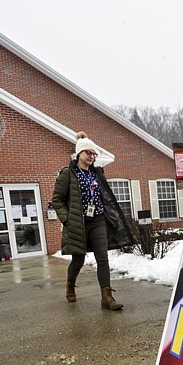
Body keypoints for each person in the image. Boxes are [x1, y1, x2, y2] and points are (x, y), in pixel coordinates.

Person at [51, 132, 135, 310]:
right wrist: (67, 219)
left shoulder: (96, 174)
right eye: (88, 153)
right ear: (79, 153)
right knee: (78, 259)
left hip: (97, 221)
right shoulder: (68, 173)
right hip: (78, 223)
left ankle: (107, 297)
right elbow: (57, 199)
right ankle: (70, 285)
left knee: (102, 258)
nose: (91, 156)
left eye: (94, 154)